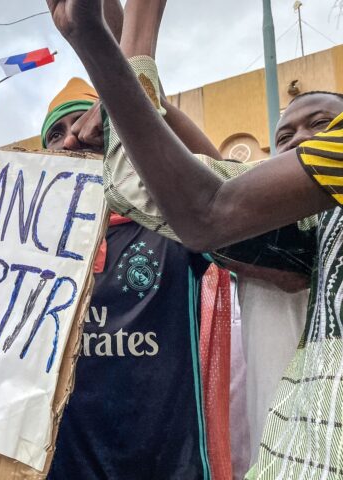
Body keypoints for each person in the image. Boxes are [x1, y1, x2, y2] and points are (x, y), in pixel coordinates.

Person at [45, 0, 343, 477]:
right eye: (284, 135)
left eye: (322, 126)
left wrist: (117, 33)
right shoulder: (308, 230)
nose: (300, 140)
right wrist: (114, 40)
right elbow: (191, 171)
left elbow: (197, 203)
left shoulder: (294, 227)